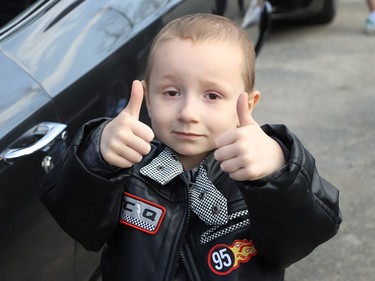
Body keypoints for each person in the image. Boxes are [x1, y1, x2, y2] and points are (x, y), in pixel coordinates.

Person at [40, 14, 342, 281]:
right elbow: (77, 222)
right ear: (148, 99)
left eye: (212, 95)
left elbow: (306, 234)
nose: (188, 113)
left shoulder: (260, 179)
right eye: (171, 92)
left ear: (248, 104)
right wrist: (96, 157)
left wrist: (279, 172)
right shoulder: (126, 167)